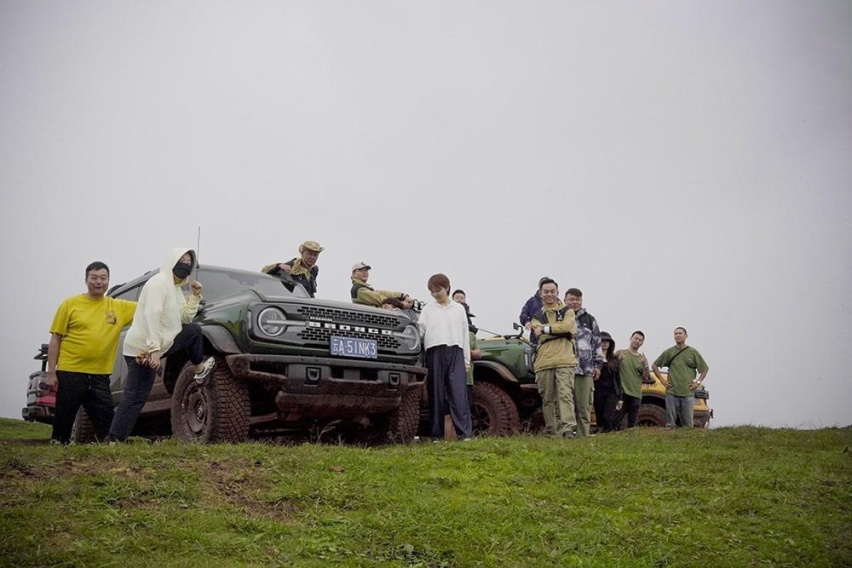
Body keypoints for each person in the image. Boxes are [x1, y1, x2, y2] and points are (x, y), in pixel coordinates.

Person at [108, 248, 215, 442]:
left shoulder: (175, 290)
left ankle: (116, 438)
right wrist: (154, 350)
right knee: (134, 397)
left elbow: (185, 318)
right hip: (142, 349)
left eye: (188, 262)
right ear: (172, 261)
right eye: (181, 260)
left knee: (192, 331)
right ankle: (114, 439)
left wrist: (195, 296)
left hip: (156, 346)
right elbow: (152, 315)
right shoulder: (159, 283)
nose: (184, 264)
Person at [46, 262, 137, 444]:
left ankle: (110, 446)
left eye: (103, 278)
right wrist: (51, 372)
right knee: (64, 415)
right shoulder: (69, 304)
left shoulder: (118, 306)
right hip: (71, 371)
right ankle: (58, 445)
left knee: (106, 418)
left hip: (100, 374)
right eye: (94, 278)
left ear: (108, 281)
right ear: (86, 280)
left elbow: (150, 308)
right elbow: (55, 339)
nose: (98, 282)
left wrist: (187, 300)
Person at [417, 273, 472, 441]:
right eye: (432, 291)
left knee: (458, 393)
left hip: (455, 351)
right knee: (436, 394)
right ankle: (436, 434)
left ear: (447, 288)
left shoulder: (458, 308)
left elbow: (464, 335)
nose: (435, 294)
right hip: (434, 352)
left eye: (438, 290)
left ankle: (465, 434)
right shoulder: (427, 309)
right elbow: (420, 331)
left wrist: (466, 359)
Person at [530, 278, 578, 438]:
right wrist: (561, 332)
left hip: (565, 360)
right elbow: (539, 336)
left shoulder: (567, 311)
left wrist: (546, 330)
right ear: (540, 293)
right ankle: (552, 431)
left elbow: (569, 327)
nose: (549, 294)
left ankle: (568, 429)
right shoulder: (536, 315)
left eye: (552, 291)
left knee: (565, 394)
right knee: (548, 398)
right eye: (546, 292)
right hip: (543, 362)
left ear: (557, 293)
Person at [564, 288, 604, 438]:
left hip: (585, 369)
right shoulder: (560, 317)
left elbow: (597, 342)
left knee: (584, 405)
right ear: (565, 300)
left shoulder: (590, 319)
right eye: (572, 299)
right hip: (564, 368)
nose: (575, 302)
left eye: (578, 300)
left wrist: (598, 365)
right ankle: (566, 434)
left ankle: (582, 435)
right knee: (565, 405)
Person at [652, 327, 709, 428]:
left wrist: (698, 382)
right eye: (675, 334)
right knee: (670, 425)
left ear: (686, 335)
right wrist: (662, 380)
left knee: (688, 425)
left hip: (688, 393)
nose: (677, 335)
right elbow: (654, 366)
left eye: (680, 333)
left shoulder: (693, 352)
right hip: (672, 393)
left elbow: (704, 369)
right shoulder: (669, 352)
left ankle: (687, 443)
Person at [615, 331, 650, 428]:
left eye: (640, 340)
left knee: (632, 423)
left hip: (636, 393)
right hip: (622, 393)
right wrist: (618, 360)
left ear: (642, 343)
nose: (637, 341)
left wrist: (646, 365)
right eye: (636, 338)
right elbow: (611, 368)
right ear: (631, 338)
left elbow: (646, 377)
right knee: (615, 420)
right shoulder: (620, 353)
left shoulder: (641, 358)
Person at [593, 331, 622, 433]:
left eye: (607, 341)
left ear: (610, 344)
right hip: (597, 391)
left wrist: (620, 397)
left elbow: (618, 379)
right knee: (599, 413)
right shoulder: (594, 359)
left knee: (608, 414)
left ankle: (610, 430)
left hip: (611, 392)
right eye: (602, 341)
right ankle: (600, 430)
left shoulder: (614, 359)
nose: (604, 343)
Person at [519, 277, 549, 344]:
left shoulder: (557, 302)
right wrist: (526, 321)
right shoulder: (532, 301)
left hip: (553, 339)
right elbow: (523, 314)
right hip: (536, 339)